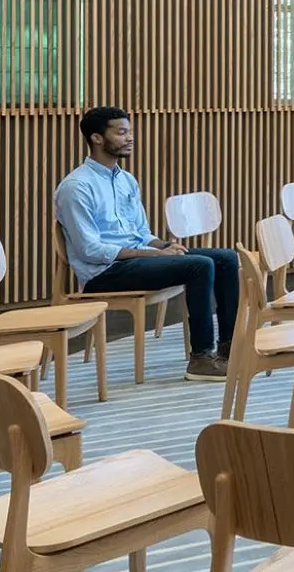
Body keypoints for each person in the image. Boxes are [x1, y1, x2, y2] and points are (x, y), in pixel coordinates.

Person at [54, 107, 242, 380]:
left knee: (225, 258)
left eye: (130, 131)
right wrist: (152, 254)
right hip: (104, 272)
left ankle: (228, 349)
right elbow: (90, 250)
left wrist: (163, 246)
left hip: (137, 259)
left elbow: (141, 231)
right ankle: (201, 358)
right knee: (199, 266)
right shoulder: (76, 187)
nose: (129, 138)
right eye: (121, 133)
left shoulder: (126, 180)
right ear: (96, 138)